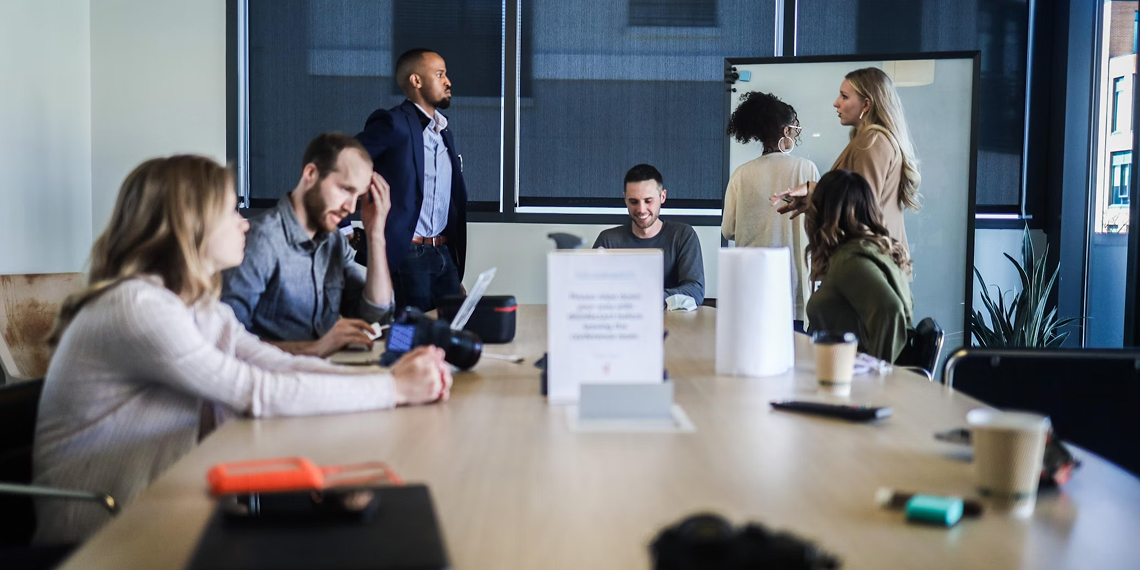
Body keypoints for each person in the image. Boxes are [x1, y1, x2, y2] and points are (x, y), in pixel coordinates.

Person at [33, 155, 452, 545]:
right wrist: (393, 390)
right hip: (104, 535)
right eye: (231, 212)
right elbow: (256, 391)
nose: (244, 224)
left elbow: (276, 364)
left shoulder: (192, 306)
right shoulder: (138, 307)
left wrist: (386, 382)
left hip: (162, 504)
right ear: (190, 223)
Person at [222, 133, 395, 357]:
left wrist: (376, 235)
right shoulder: (260, 241)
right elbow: (226, 343)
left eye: (358, 197)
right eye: (345, 190)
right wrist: (313, 349)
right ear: (311, 174)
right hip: (274, 382)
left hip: (321, 375)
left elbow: (376, 315)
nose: (351, 208)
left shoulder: (334, 242)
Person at [356, 48, 467, 312]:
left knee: (451, 331)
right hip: (408, 254)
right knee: (410, 335)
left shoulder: (443, 133)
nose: (448, 81)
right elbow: (342, 162)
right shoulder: (393, 123)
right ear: (416, 81)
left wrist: (449, 260)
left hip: (443, 252)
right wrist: (346, 230)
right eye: (439, 74)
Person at [773, 67, 921, 258]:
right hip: (873, 261)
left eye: (844, 96)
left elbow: (862, 208)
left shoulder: (872, 142)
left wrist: (815, 192)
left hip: (869, 263)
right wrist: (813, 197)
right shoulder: (873, 140)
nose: (836, 103)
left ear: (866, 104)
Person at [723, 91, 820, 321]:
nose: (796, 134)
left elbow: (728, 230)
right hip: (793, 285)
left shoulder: (741, 174)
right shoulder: (806, 170)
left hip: (752, 285)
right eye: (795, 128)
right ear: (786, 131)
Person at [803, 169, 913, 362]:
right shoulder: (868, 251)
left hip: (849, 379)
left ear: (823, 213)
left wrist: (875, 372)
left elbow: (890, 310)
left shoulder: (850, 260)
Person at [593, 164, 705, 307]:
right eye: (633, 201)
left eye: (648, 201)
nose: (641, 209)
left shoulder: (683, 235)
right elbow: (591, 290)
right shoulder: (608, 240)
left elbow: (695, 290)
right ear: (625, 199)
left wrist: (646, 299)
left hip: (674, 325)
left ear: (662, 196)